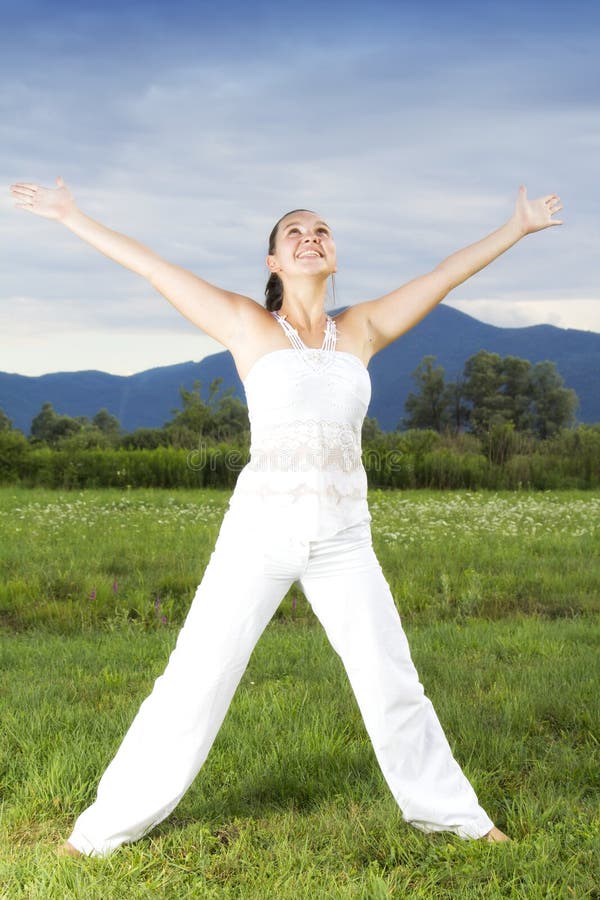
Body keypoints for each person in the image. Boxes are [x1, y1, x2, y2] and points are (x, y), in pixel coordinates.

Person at [10, 177, 563, 857]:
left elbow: (444, 273)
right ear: (274, 261)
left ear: (334, 254)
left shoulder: (361, 328)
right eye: (294, 233)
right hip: (258, 535)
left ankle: (458, 819)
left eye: (321, 230)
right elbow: (152, 266)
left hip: (343, 540)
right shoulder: (246, 322)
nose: (310, 237)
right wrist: (70, 215)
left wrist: (517, 227)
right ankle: (97, 834)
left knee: (393, 682)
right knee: (193, 681)